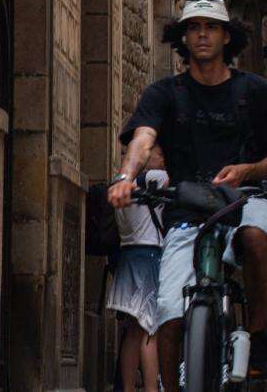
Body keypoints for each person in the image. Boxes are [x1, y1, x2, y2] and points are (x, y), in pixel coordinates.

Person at [108, 0, 267, 390]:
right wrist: (126, 176)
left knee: (258, 238)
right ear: (183, 37)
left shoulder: (255, 91)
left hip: (246, 198)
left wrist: (247, 169)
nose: (202, 35)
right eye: (194, 27)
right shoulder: (165, 93)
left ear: (227, 36)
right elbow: (143, 137)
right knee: (167, 310)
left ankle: (259, 338)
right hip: (186, 209)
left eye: (211, 27)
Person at [106, 159, 168, 392]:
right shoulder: (155, 178)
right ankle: (152, 389)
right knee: (150, 330)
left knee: (133, 331)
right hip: (149, 254)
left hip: (128, 253)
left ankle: (129, 388)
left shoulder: (120, 181)